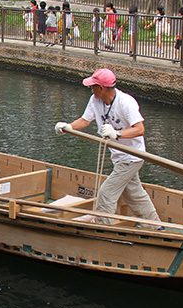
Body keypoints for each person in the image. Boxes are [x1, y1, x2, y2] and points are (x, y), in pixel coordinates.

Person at [54, 68, 161, 227]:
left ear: (101, 88)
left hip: (132, 156)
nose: (91, 89)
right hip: (118, 156)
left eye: (93, 86)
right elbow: (85, 120)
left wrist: (117, 134)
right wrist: (68, 127)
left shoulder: (125, 102)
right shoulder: (94, 100)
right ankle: (154, 225)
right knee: (133, 193)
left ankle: (103, 226)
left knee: (106, 193)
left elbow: (139, 129)